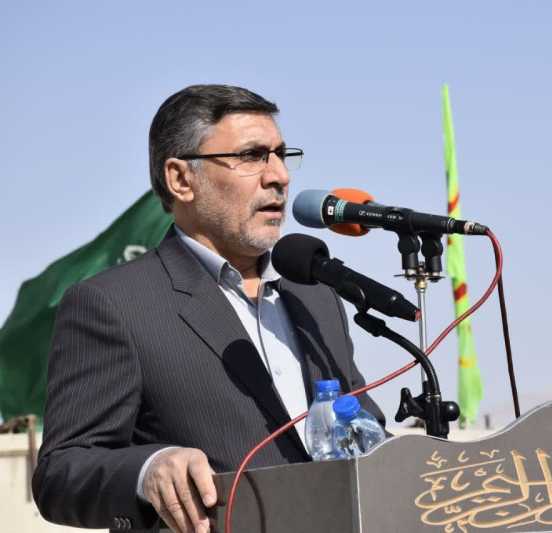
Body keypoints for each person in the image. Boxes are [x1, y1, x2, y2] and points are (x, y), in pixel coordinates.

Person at [32, 84, 384, 533]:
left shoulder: (314, 293)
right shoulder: (113, 305)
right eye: (252, 156)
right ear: (181, 179)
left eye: (280, 154)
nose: (279, 176)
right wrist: (147, 470)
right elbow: (61, 473)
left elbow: (362, 424)